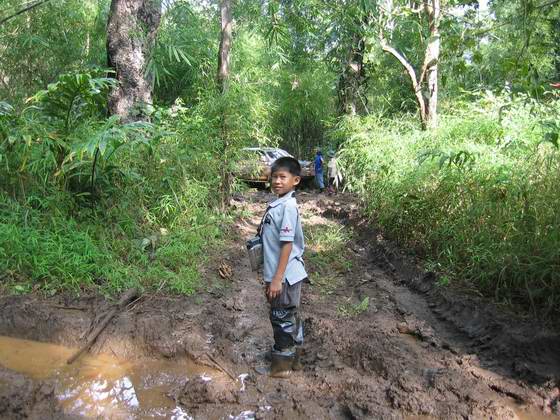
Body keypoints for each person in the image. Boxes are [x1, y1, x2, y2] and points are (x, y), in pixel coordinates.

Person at [260, 156, 307, 377]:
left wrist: (277, 279)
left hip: (285, 276)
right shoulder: (280, 204)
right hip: (283, 274)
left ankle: (282, 367)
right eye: (274, 177)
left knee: (281, 318)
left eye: (282, 177)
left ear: (295, 180)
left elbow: (287, 244)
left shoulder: (287, 206)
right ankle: (293, 359)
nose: (277, 181)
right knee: (288, 316)